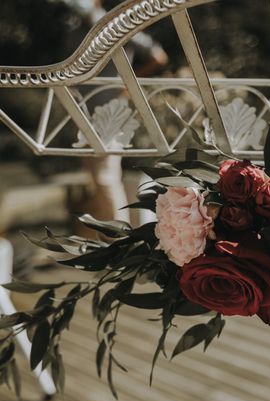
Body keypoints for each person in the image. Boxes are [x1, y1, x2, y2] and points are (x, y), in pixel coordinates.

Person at [59, 0, 168, 234]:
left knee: (105, 178)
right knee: (100, 179)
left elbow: (158, 56)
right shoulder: (75, 28)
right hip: (84, 113)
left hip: (110, 113)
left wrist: (129, 82)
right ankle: (107, 238)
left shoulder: (118, 24)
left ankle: (120, 239)